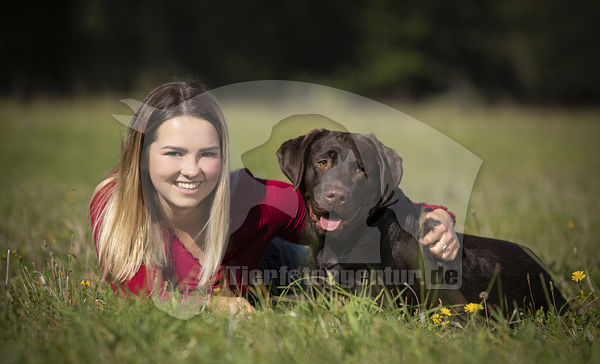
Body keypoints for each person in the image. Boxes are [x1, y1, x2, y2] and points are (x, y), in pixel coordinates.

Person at [90, 80, 459, 314]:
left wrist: (433, 217)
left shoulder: (251, 199)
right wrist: (216, 308)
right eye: (174, 153)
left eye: (207, 154)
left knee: (337, 273)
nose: (192, 170)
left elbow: (343, 209)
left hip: (277, 261)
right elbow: (141, 297)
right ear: (141, 155)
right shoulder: (116, 209)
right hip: (236, 290)